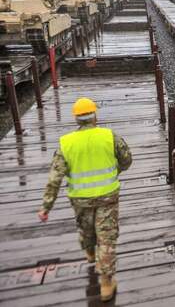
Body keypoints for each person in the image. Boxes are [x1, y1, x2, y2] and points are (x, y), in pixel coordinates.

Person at [37, 97, 132, 301]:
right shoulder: (109, 136)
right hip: (107, 196)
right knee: (106, 238)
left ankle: (89, 252)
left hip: (80, 199)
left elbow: (54, 178)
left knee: (86, 229)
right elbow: (127, 159)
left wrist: (46, 207)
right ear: (94, 116)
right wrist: (116, 170)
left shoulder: (66, 143)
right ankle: (106, 284)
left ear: (76, 119)